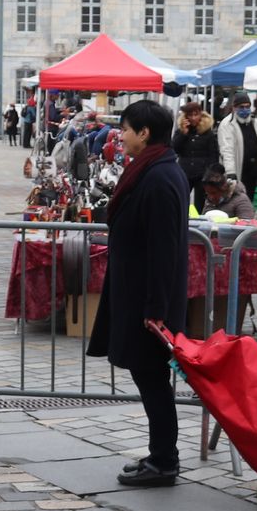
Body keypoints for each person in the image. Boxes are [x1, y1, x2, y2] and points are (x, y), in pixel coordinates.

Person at [88, 99, 190, 487]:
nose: (122, 135)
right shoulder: (154, 169)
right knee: (149, 379)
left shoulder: (161, 176)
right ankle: (160, 454)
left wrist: (155, 309)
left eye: (127, 129)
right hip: (140, 294)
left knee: (152, 380)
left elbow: (165, 250)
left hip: (149, 301)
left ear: (144, 133)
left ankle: (165, 461)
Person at [217, 97, 257, 205]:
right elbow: (227, 149)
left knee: (249, 200)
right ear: (234, 108)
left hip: (253, 171)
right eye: (241, 107)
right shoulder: (227, 124)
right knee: (236, 201)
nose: (245, 110)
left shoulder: (255, 122)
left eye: (247, 107)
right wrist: (231, 172)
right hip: (238, 170)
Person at [172, 102, 220, 187]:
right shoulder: (181, 131)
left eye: (196, 115)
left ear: (200, 115)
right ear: (186, 117)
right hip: (185, 171)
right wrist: (184, 134)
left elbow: (213, 154)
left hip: (202, 173)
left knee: (201, 199)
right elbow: (175, 149)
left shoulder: (208, 133)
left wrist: (211, 172)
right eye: (190, 115)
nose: (193, 118)